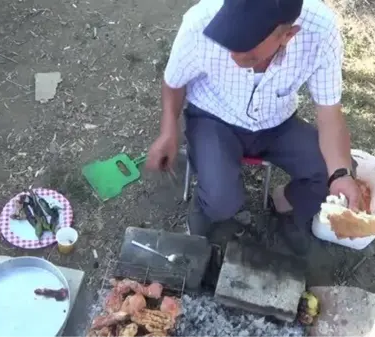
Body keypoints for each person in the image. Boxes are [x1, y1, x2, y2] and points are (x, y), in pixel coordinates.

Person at [145, 0, 363, 255]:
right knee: (221, 201)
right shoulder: (201, 21)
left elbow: (329, 112)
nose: (233, 57)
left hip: (276, 121)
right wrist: (168, 129)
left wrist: (340, 174)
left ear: (287, 36)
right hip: (214, 116)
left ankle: (283, 205)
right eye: (229, 44)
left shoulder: (321, 31)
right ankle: (205, 211)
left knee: (337, 172)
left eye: (248, 54)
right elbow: (173, 82)